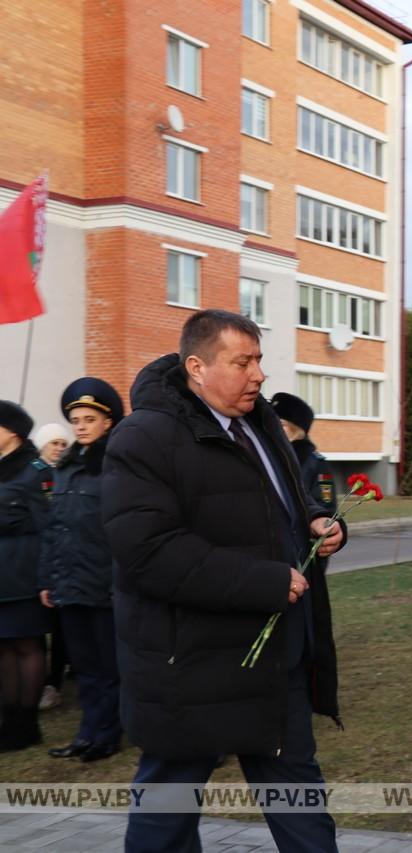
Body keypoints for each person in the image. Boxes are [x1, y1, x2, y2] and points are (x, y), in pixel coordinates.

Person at [102, 309, 346, 853]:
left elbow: (285, 501)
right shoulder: (144, 437)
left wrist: (317, 522)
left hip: (274, 656)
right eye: (243, 362)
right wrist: (261, 581)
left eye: (259, 360)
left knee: (298, 798)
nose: (258, 375)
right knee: (168, 806)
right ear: (196, 366)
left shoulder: (259, 423)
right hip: (191, 667)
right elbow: (148, 551)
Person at [39, 377, 126, 762]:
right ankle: (86, 734)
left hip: (104, 584)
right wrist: (48, 579)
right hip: (70, 583)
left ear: (107, 422)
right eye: (75, 419)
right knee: (86, 668)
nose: (80, 426)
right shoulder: (66, 466)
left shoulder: (117, 464)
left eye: (89, 418)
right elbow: (54, 527)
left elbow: (124, 529)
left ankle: (107, 735)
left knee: (109, 667)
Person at [0, 401, 51, 751]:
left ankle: (28, 722)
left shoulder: (34, 470)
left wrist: (47, 578)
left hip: (24, 570)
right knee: (3, 646)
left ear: (12, 432)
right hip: (1, 576)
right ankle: (10, 719)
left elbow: (49, 525)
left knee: (28, 645)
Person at [31, 422, 73, 711]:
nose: (59, 448)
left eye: (62, 444)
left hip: (62, 555)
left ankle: (53, 681)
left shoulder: (65, 472)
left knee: (61, 626)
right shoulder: (34, 474)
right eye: (54, 443)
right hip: (36, 556)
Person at [270, 392, 337, 516]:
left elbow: (326, 505)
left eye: (281, 424)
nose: (273, 427)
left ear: (296, 429)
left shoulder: (316, 464)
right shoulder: (266, 454)